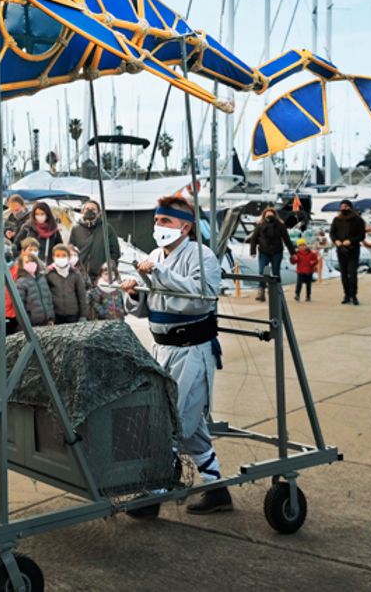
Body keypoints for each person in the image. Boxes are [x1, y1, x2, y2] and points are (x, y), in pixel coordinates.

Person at [119, 195, 231, 515]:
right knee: (191, 426)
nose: (158, 226)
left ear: (185, 226)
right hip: (162, 348)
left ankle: (153, 491)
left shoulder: (203, 257)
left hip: (192, 350)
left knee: (169, 420)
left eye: (165, 220)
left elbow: (201, 299)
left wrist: (159, 275)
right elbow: (147, 308)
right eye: (156, 220)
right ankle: (217, 488)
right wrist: (134, 293)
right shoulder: (154, 255)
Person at [69, 198, 121, 291]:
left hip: (101, 277)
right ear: (82, 211)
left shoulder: (106, 228)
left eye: (93, 209)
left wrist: (108, 272)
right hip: (81, 276)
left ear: (99, 212)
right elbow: (71, 251)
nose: (89, 211)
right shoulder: (76, 229)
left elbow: (115, 252)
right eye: (87, 209)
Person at [246, 206, 295, 303]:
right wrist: (253, 251)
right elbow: (254, 239)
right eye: (267, 213)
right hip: (264, 251)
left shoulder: (280, 225)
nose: (269, 215)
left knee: (276, 272)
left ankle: (277, 292)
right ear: (264, 215)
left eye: (271, 213)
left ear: (274, 215)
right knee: (262, 271)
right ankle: (261, 292)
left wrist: (292, 253)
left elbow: (287, 239)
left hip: (276, 251)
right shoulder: (260, 226)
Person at [330, 200, 367, 305]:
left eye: (346, 206)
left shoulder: (358, 220)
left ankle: (354, 295)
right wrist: (335, 240)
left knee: (352, 272)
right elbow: (332, 233)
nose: (343, 208)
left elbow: (362, 236)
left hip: (353, 249)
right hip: (340, 249)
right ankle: (346, 294)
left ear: (350, 207)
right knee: (344, 273)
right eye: (341, 206)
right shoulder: (337, 220)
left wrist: (350, 241)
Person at [46, 244, 87, 324]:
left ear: (68, 257)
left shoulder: (75, 273)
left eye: (64, 255)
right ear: (53, 257)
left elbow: (82, 295)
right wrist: (49, 317)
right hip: (56, 315)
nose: (60, 258)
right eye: (58, 255)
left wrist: (83, 315)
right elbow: (46, 297)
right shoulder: (49, 273)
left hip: (73, 314)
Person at [14, 249, 54, 329]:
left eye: (32, 261)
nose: (30, 264)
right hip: (32, 325)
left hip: (47, 323)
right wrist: (26, 324)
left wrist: (51, 318)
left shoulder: (42, 279)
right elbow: (19, 307)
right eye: (27, 262)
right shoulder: (20, 282)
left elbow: (49, 299)